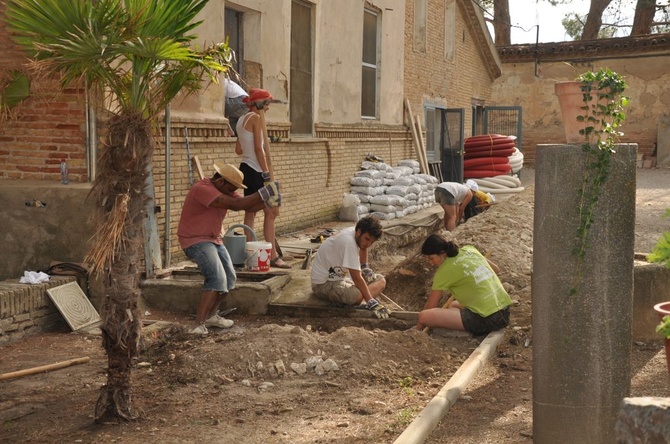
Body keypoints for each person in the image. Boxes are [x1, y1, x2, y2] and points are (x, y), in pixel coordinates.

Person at [177, 162, 281, 335]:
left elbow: (247, 205)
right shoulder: (202, 189)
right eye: (232, 188)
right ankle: (198, 324)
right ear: (220, 182)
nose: (234, 192)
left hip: (213, 239)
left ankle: (211, 316)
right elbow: (236, 205)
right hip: (195, 240)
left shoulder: (224, 190)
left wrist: (269, 200)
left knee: (229, 279)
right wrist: (265, 192)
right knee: (216, 277)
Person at [235, 87, 290, 269]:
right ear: (259, 104)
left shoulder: (241, 120)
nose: (267, 108)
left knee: (250, 213)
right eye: (266, 104)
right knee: (271, 212)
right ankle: (273, 256)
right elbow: (259, 150)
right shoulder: (257, 119)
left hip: (245, 168)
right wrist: (266, 172)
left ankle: (249, 254)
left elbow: (239, 150)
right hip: (258, 170)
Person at [416, 234, 512, 335]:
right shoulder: (469, 250)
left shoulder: (444, 271)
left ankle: (416, 332)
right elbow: (496, 269)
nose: (430, 263)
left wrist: (418, 326)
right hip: (504, 312)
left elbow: (431, 306)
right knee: (453, 305)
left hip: (488, 319)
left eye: (431, 258)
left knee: (423, 316)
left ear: (442, 253)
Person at [310, 215, 390, 319]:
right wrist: (371, 301)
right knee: (356, 296)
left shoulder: (356, 233)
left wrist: (365, 267)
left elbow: (363, 247)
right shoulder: (348, 243)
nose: (368, 244)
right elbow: (356, 278)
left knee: (381, 281)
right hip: (323, 284)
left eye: (372, 242)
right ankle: (362, 301)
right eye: (367, 239)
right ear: (359, 231)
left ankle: (361, 299)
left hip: (340, 278)